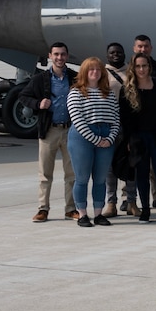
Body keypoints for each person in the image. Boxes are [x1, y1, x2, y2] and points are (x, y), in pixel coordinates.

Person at [118, 53, 156, 223]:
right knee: (141, 174)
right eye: (138, 66)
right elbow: (125, 118)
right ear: (133, 68)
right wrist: (128, 140)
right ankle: (145, 211)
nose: (141, 69)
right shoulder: (127, 89)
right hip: (138, 138)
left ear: (149, 67)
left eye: (144, 65)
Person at [67, 57, 122, 227]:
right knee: (82, 178)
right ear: (84, 72)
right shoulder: (76, 92)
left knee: (100, 179)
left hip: (106, 137)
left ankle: (98, 214)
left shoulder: (108, 93)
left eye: (98, 69)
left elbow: (115, 118)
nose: (95, 72)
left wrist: (110, 138)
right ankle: (82, 214)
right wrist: (96, 139)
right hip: (82, 138)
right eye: (91, 69)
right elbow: (77, 119)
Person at [25, 42, 76, 222]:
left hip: (70, 130)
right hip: (49, 131)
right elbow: (23, 96)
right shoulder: (41, 78)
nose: (59, 58)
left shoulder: (74, 77)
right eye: (56, 54)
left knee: (72, 173)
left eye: (63, 54)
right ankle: (43, 209)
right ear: (50, 56)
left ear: (67, 56)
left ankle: (71, 208)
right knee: (45, 173)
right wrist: (38, 105)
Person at [100, 41, 127, 217]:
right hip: (108, 124)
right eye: (112, 52)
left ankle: (130, 200)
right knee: (110, 166)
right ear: (107, 55)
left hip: (127, 124)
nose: (115, 55)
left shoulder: (131, 72)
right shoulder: (102, 73)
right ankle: (111, 203)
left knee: (129, 163)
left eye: (118, 52)